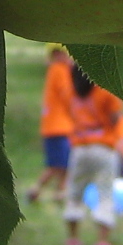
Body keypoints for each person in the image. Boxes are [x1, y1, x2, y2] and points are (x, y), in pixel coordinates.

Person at [62, 64, 123, 245]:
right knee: (105, 194)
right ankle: (103, 243)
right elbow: (116, 116)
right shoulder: (105, 91)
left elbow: (70, 114)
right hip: (104, 147)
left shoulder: (71, 93)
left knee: (74, 192)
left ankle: (73, 239)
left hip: (80, 147)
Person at [30, 45, 75, 205]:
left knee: (63, 164)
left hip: (57, 126)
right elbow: (67, 95)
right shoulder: (59, 69)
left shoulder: (54, 69)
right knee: (58, 165)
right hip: (59, 126)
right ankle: (36, 189)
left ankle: (60, 193)